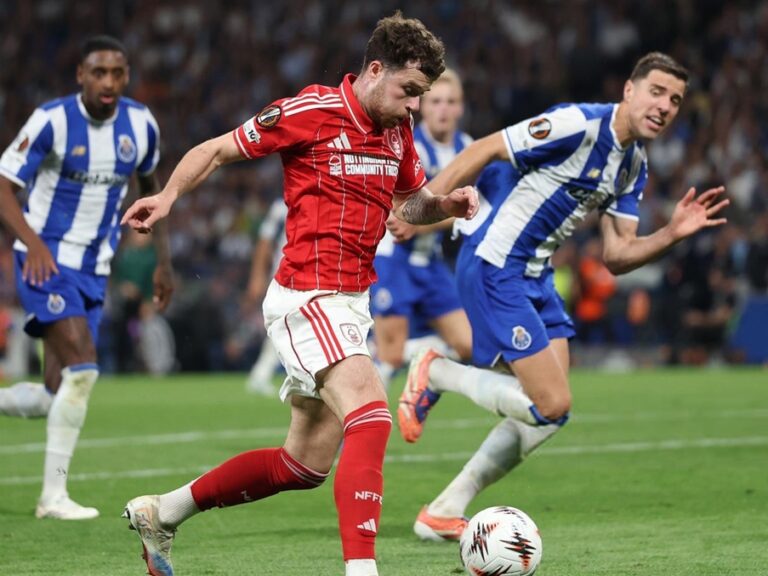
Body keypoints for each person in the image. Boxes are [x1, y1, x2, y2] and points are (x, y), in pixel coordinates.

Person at [119, 13, 478, 576]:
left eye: (422, 94)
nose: (415, 105)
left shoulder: (397, 128)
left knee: (303, 465)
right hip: (307, 296)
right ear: (375, 70)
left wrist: (445, 205)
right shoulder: (311, 111)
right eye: (409, 90)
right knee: (372, 416)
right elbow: (216, 150)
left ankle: (163, 512)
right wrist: (167, 197)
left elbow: (409, 203)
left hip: (351, 302)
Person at [395, 52, 729, 541]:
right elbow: (486, 148)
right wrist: (421, 205)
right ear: (630, 90)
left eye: (675, 100)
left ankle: (444, 509)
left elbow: (617, 255)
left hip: (537, 277)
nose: (664, 106)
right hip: (496, 263)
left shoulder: (632, 166)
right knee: (550, 403)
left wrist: (672, 233)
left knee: (551, 414)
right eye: (656, 92)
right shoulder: (579, 124)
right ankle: (437, 370)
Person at [0, 35, 173, 520]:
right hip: (46, 262)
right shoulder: (52, 120)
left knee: (56, 394)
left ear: (127, 76)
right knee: (83, 372)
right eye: (98, 72)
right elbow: (4, 185)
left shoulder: (140, 125)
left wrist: (164, 262)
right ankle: (52, 497)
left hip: (95, 268)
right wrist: (33, 242)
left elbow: (152, 191)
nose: (108, 82)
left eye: (117, 73)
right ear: (81, 75)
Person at [370, 68, 473, 389]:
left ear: (460, 107)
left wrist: (422, 224)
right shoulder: (406, 145)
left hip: (431, 263)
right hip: (393, 260)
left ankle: (421, 361)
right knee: (390, 356)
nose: (443, 109)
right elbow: (395, 210)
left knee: (469, 346)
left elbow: (472, 211)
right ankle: (361, 422)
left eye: (450, 102)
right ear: (423, 106)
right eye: (436, 101)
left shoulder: (468, 148)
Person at [243, 196, 287, 396]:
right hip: (285, 275)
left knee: (284, 327)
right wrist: (257, 276)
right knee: (284, 325)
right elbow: (264, 241)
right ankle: (261, 375)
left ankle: (261, 374)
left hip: (310, 275)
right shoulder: (281, 206)